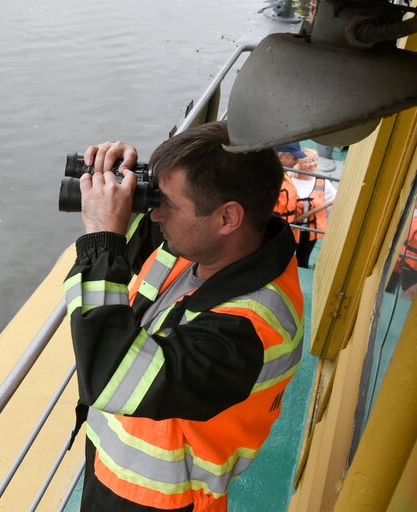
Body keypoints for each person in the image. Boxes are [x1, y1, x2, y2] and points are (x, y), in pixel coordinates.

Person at [64, 121, 303, 511]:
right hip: (111, 473)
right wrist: (125, 182)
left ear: (228, 218)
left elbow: (110, 377)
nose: (156, 215)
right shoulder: (206, 247)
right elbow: (140, 241)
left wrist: (99, 238)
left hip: (163, 502)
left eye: (168, 204)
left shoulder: (249, 329)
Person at [290, 147, 337, 268]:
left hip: (310, 230)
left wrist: (320, 219)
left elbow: (332, 203)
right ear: (298, 163)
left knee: (303, 260)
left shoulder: (323, 183)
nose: (313, 164)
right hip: (289, 228)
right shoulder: (288, 179)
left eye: (315, 160)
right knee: (284, 256)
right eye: (308, 161)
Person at [274, 142, 306, 242]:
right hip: (275, 232)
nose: (297, 162)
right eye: (295, 158)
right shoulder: (272, 179)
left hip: (284, 229)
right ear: (281, 156)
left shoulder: (284, 175)